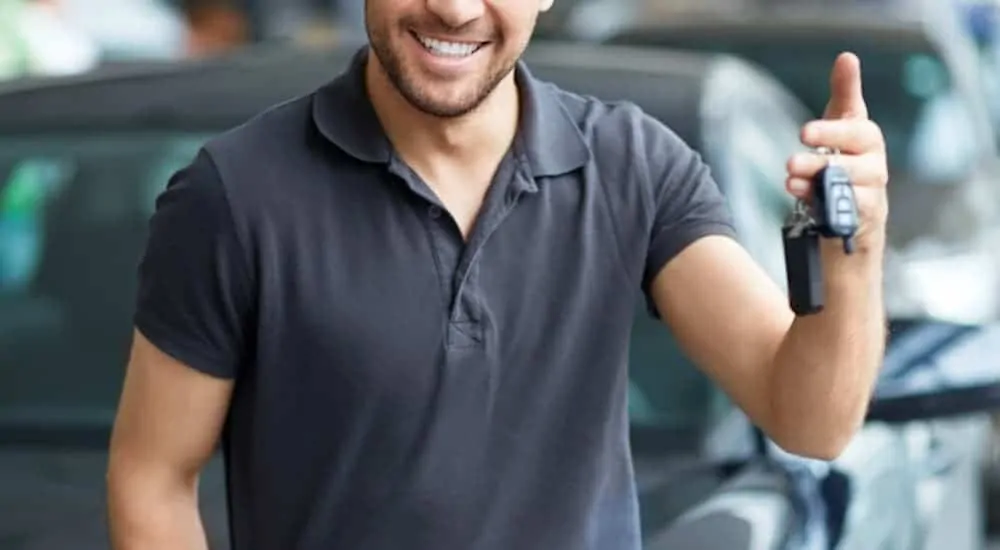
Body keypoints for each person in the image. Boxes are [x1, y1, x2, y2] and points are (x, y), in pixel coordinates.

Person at [106, 1, 890, 549]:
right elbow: (152, 478)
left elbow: (809, 420)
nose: (452, 8)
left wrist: (852, 252)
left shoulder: (634, 168)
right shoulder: (236, 194)